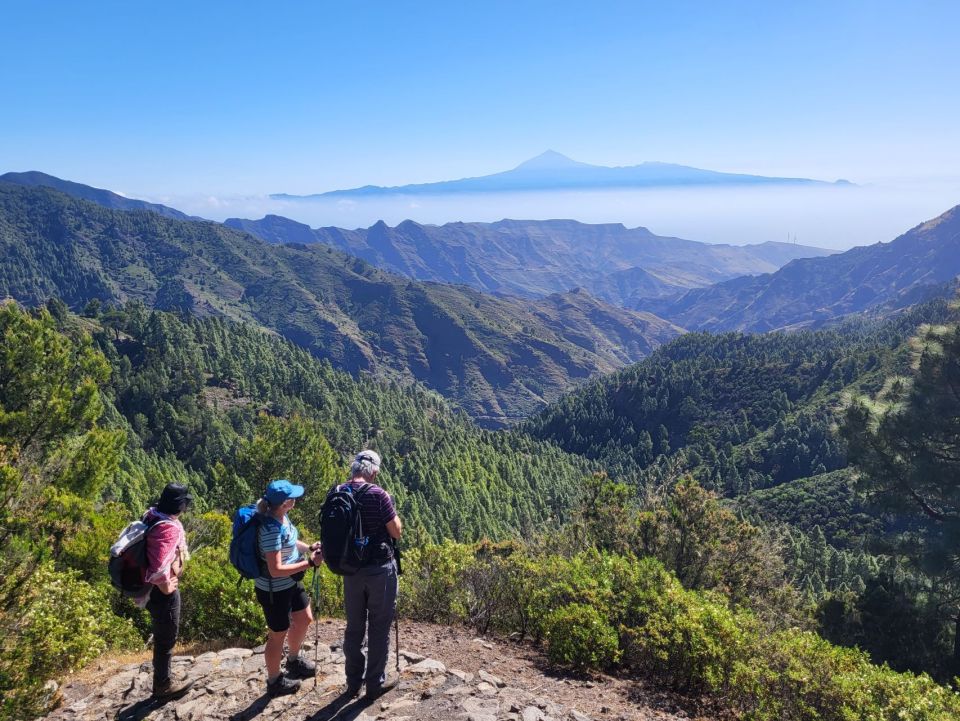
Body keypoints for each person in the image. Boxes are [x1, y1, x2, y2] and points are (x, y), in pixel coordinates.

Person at [339, 450, 402, 700]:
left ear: (354, 468)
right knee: (379, 626)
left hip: (350, 570)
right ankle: (374, 684)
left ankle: (353, 683)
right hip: (379, 570)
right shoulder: (379, 495)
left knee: (354, 627)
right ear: (373, 472)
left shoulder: (338, 492)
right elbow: (396, 532)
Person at [255, 479, 324, 697]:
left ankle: (293, 661)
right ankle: (274, 681)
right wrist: (309, 563)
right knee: (277, 634)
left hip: (291, 582)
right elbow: (275, 569)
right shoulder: (269, 529)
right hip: (274, 589)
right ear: (285, 503)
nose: (296, 498)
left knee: (304, 618)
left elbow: (291, 541)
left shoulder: (281, 517)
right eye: (292, 496)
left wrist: (309, 547)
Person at [141, 483, 193, 701]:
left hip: (149, 589)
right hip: (162, 592)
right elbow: (160, 564)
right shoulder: (168, 528)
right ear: (179, 505)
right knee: (166, 638)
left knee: (162, 635)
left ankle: (164, 675)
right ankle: (162, 685)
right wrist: (166, 586)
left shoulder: (152, 515)